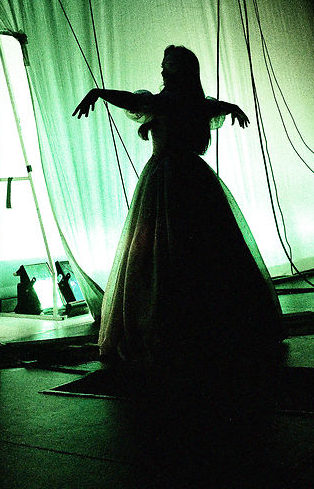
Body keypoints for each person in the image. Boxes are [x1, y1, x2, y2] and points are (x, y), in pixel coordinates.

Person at [73, 45, 283, 374]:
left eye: (167, 68)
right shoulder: (192, 103)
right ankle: (218, 327)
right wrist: (231, 107)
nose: (161, 72)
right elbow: (205, 108)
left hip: (168, 181)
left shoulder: (170, 102)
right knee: (201, 250)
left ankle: (175, 329)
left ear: (177, 73)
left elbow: (135, 101)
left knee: (166, 253)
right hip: (195, 179)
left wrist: (99, 92)